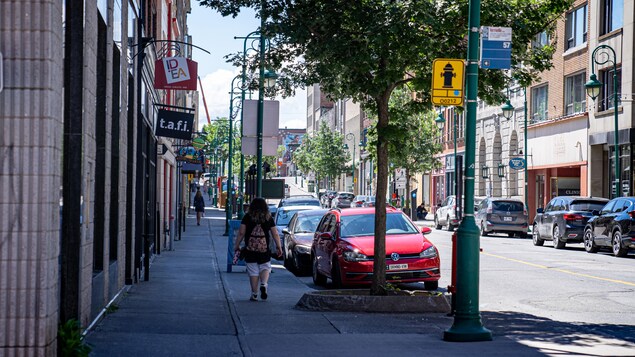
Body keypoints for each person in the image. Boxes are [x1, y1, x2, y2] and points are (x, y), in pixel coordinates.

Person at [233, 197, 282, 301]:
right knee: (265, 267)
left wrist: (236, 245)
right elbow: (275, 233)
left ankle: (254, 294)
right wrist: (279, 246)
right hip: (264, 249)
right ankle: (264, 284)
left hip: (250, 249)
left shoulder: (247, 216)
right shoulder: (268, 217)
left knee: (253, 271)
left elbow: (241, 232)